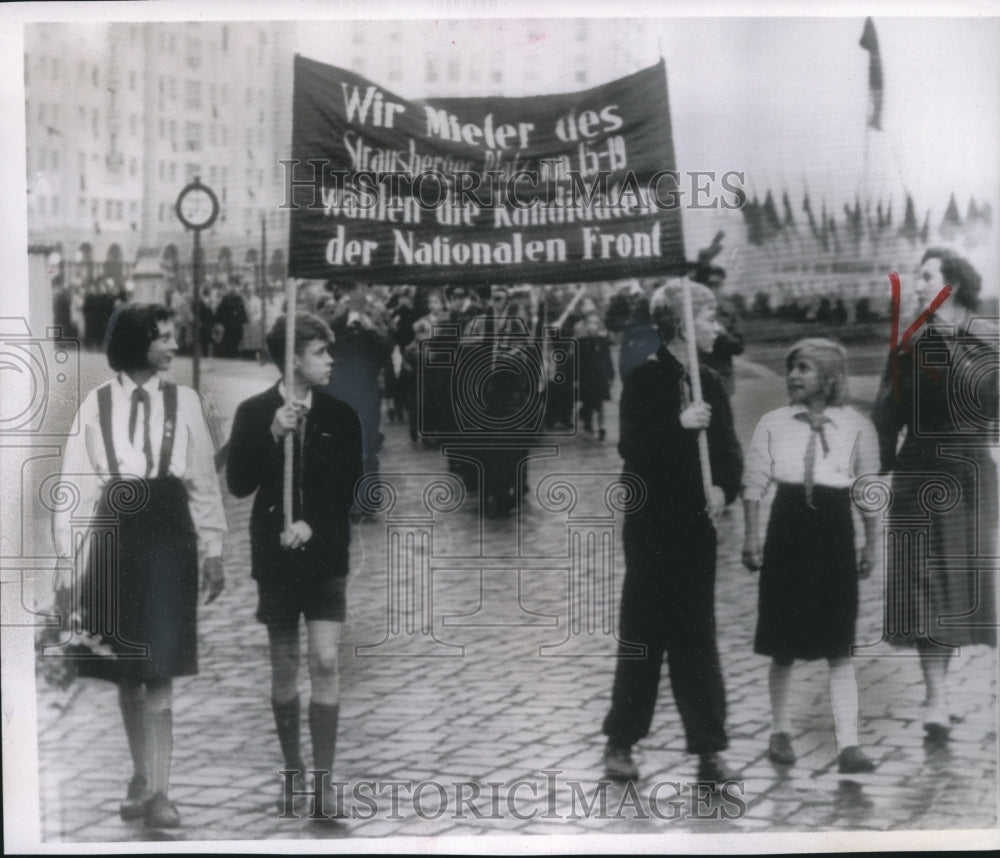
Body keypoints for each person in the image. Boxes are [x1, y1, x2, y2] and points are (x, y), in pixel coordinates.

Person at [51, 303, 227, 828]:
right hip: (117, 536)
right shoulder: (95, 405)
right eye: (165, 338)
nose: (174, 345)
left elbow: (202, 480)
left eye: (174, 336)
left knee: (162, 668)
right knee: (129, 671)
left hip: (170, 536)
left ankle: (161, 790)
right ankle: (141, 776)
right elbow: (75, 487)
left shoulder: (188, 402)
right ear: (137, 343)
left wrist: (214, 549)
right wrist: (66, 566)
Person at [601, 279, 743, 785]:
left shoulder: (709, 381)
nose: (716, 328)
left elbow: (728, 454)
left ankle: (709, 748)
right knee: (644, 635)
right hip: (652, 528)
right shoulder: (646, 380)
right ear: (682, 322)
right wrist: (677, 424)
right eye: (708, 318)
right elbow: (632, 450)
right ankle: (621, 741)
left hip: (695, 529)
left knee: (696, 636)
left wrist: (724, 489)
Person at [226, 313, 363, 814]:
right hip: (277, 557)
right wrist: (270, 435)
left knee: (325, 660)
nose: (330, 361)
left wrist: (315, 524)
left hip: (324, 555)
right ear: (293, 360)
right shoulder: (254, 411)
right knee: (284, 667)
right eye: (320, 353)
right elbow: (239, 483)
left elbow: (352, 487)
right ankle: (293, 769)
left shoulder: (340, 414)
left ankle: (324, 782)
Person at [871, 248, 998, 742]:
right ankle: (936, 700)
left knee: (956, 594)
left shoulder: (990, 346)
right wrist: (880, 466)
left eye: (926, 277)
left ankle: (939, 696)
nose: (916, 285)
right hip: (920, 482)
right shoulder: (910, 347)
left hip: (971, 482)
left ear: (953, 286)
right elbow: (886, 415)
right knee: (925, 592)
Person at [742, 338, 879, 774]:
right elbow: (753, 484)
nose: (794, 376)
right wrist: (751, 537)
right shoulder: (773, 423)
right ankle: (779, 730)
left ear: (831, 377)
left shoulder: (856, 425)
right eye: (791, 368)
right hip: (788, 530)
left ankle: (850, 743)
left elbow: (867, 489)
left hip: (834, 533)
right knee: (782, 641)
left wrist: (870, 541)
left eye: (804, 368)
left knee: (839, 643)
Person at [693, 265, 744, 397]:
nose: (713, 290)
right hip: (698, 378)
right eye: (710, 285)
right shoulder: (690, 311)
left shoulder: (729, 311)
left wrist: (723, 334)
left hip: (722, 378)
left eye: (717, 285)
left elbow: (739, 347)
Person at [577, 311, 614, 440]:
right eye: (590, 324)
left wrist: (610, 375)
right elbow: (577, 362)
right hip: (586, 377)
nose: (593, 327)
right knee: (588, 402)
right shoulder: (581, 343)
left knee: (599, 403)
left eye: (595, 324)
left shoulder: (602, 342)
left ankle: (601, 427)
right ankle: (588, 423)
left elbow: (607, 359)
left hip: (599, 376)